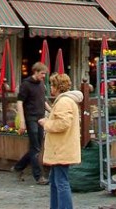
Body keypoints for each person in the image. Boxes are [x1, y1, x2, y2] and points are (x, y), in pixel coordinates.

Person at [40, 72, 83, 209]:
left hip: (61, 149)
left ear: (58, 87)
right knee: (55, 180)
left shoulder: (64, 101)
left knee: (60, 182)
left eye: (52, 85)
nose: (50, 88)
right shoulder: (65, 100)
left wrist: (46, 123)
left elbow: (63, 123)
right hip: (60, 148)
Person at [13, 62, 49, 184]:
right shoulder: (26, 84)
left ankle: (18, 167)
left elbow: (43, 101)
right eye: (42, 74)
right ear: (36, 72)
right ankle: (38, 177)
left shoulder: (41, 84)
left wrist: (52, 111)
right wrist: (22, 121)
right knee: (35, 147)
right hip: (31, 118)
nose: (43, 76)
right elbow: (19, 102)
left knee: (37, 147)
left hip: (41, 118)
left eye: (44, 74)